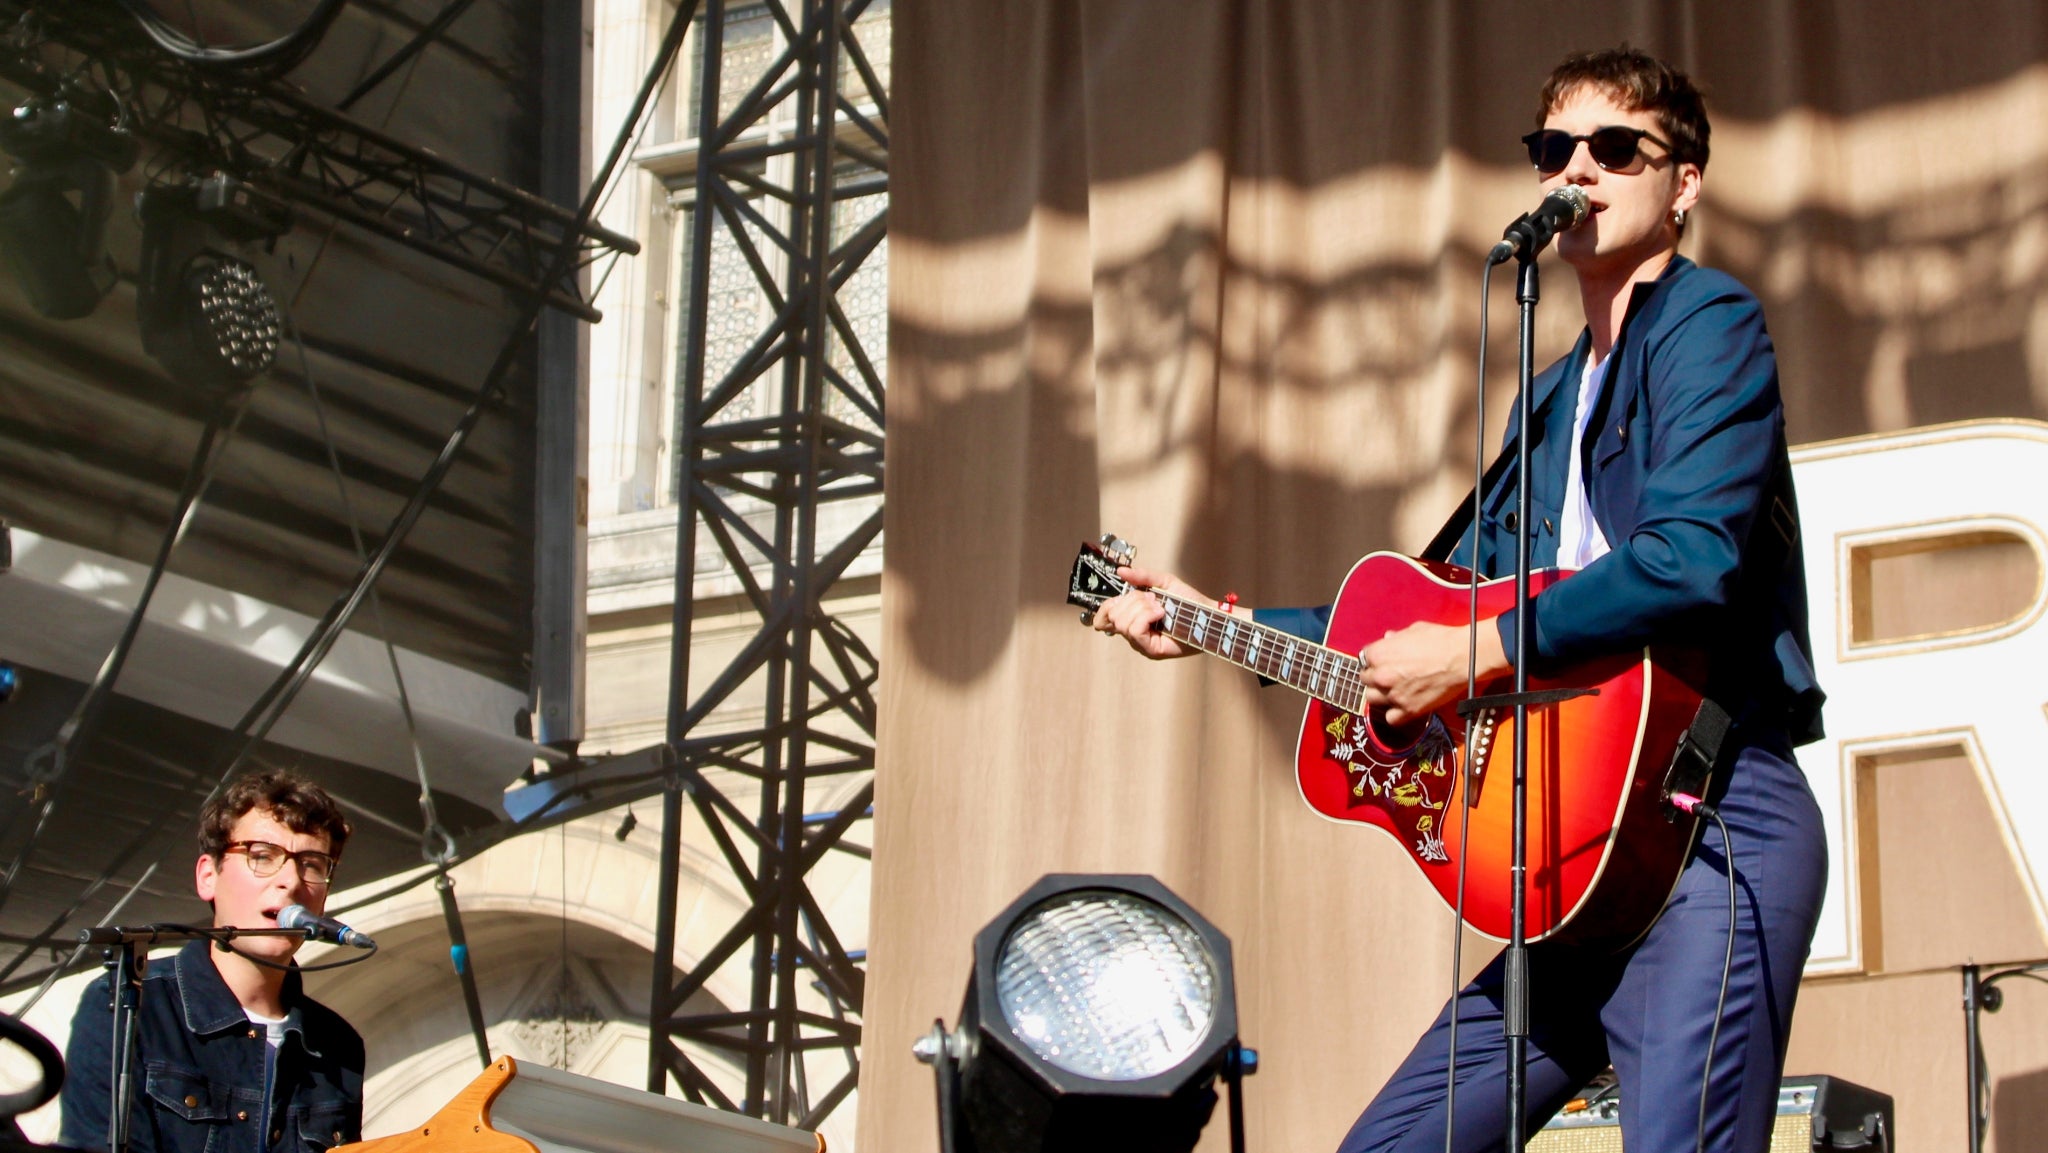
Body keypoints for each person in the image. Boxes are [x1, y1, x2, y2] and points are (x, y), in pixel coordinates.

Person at [1093, 46, 1828, 1153]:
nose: (1576, 170)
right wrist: (1218, 626)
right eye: (1554, 148)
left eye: (1614, 148)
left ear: (1682, 183)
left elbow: (1686, 560)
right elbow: (1423, 622)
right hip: (1577, 856)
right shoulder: (1547, 402)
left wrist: (1478, 652)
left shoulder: (1707, 325)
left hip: (1707, 818)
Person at [60, 770, 365, 1153]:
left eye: (312, 864)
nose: (291, 880)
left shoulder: (339, 1046)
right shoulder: (128, 1003)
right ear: (208, 876)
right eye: (262, 856)